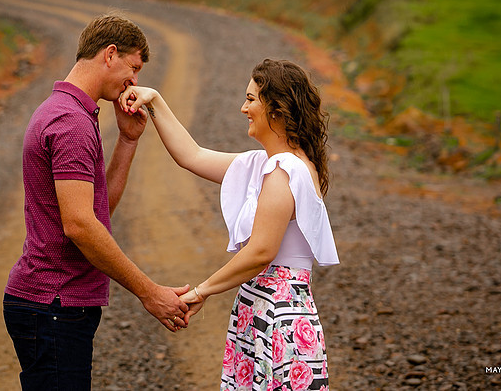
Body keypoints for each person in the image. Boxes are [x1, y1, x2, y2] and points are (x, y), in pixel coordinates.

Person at [120, 58, 339, 390]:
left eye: (251, 99)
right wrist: (154, 100)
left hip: (279, 318)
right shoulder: (265, 164)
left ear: (276, 110)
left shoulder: (285, 171)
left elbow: (261, 252)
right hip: (262, 310)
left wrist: (201, 291)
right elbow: (190, 155)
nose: (243, 108)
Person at [3, 12, 192, 390]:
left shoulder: (70, 112)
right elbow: (80, 226)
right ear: (110, 54)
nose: (135, 81)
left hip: (52, 304)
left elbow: (96, 213)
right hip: (53, 304)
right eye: (133, 67)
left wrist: (128, 140)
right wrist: (149, 292)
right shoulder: (70, 123)